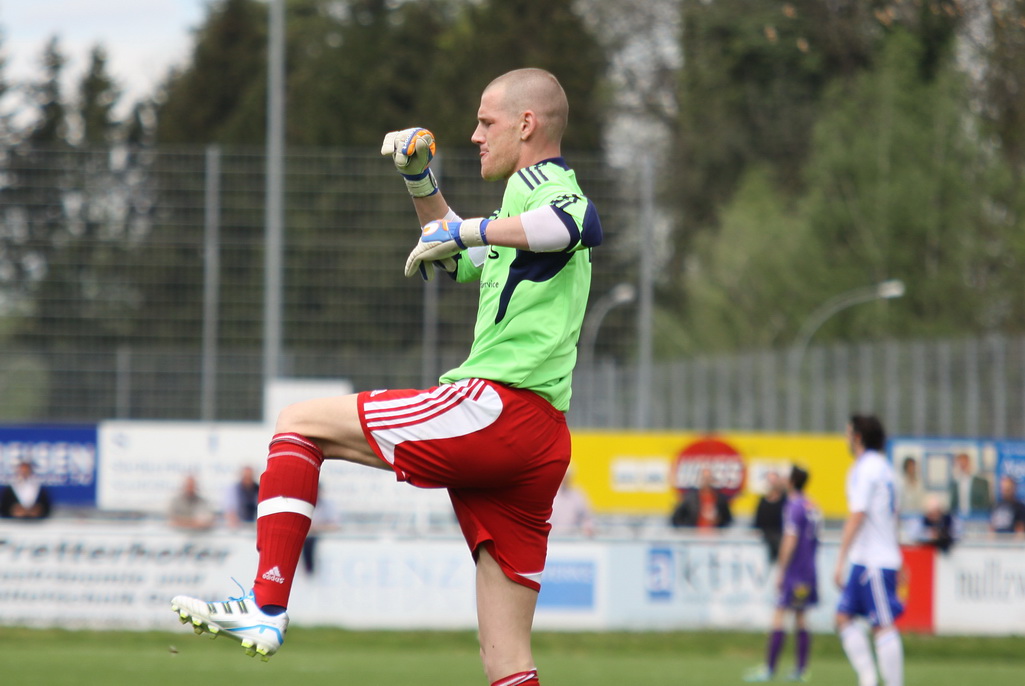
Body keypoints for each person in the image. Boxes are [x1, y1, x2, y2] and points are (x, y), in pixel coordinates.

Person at [170, 68, 602, 686]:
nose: (476, 135)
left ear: (527, 124)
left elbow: (579, 225)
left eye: (487, 122)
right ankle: (264, 609)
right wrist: (419, 178)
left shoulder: (548, 185)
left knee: (299, 424)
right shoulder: (518, 204)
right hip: (540, 438)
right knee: (506, 660)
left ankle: (265, 605)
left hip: (498, 410)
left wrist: (466, 228)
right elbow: (454, 254)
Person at [835, 414, 904, 686]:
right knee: (843, 617)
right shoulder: (885, 468)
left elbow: (858, 514)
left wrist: (840, 559)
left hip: (874, 560)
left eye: (847, 433)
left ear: (857, 437)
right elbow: (893, 517)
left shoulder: (866, 468)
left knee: (882, 626)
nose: (845, 438)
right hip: (867, 558)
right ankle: (868, 678)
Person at [744, 465, 819, 682]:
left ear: (792, 481)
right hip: (809, 569)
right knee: (801, 617)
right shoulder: (812, 505)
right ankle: (801, 670)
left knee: (779, 615)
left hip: (795, 570)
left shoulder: (793, 506)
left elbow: (790, 539)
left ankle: (769, 668)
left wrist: (782, 569)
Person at [753, 470, 788, 562]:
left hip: (781, 539)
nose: (772, 483)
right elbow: (758, 522)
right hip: (765, 540)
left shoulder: (786, 501)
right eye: (769, 481)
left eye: (774, 480)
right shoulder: (762, 501)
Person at [549, 470, 595, 537]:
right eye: (563, 476)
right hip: (553, 538)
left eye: (567, 477)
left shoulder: (578, 495)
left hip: (573, 538)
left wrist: (588, 528)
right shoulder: (551, 494)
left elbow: (587, 518)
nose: (565, 479)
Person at [948, 452, 992, 517]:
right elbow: (952, 505)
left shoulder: (982, 483)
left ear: (969, 463)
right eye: (960, 465)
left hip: (977, 518)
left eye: (964, 464)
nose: (963, 467)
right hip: (959, 518)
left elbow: (986, 504)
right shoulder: (955, 484)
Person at [222, 465, 260, 529]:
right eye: (246, 477)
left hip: (255, 524)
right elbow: (230, 508)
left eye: (249, 476)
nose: (247, 479)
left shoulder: (258, 488)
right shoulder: (234, 489)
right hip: (238, 525)